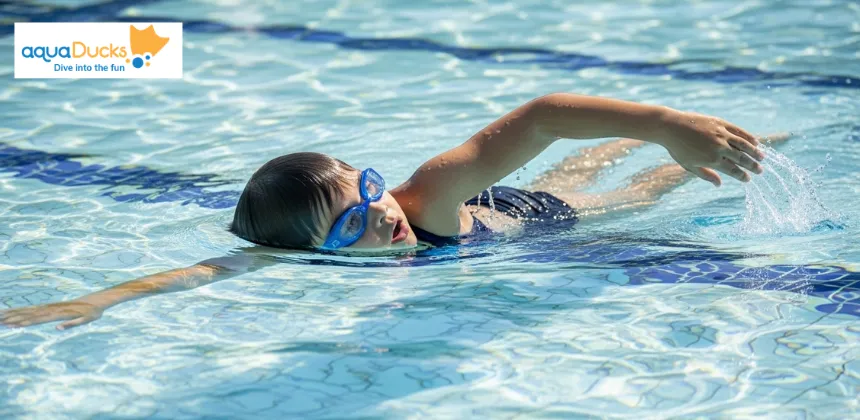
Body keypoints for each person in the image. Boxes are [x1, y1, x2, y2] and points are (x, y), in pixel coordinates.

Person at [0, 92, 786, 330]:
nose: (379, 219)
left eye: (367, 194)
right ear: (319, 252)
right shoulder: (294, 250)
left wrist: (664, 129)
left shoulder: (426, 195)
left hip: (526, 213)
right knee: (597, 165)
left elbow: (541, 117)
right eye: (350, 226)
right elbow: (200, 272)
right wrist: (92, 301)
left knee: (620, 183)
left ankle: (727, 131)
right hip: (488, 232)